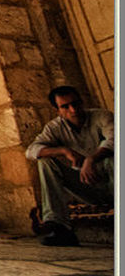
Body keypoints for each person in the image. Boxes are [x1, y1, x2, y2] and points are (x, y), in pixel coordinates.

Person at [25, 86, 114, 246]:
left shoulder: (102, 116)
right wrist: (64, 151)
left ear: (82, 102)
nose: (73, 110)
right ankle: (58, 226)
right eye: (65, 107)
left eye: (76, 103)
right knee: (46, 161)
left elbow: (116, 138)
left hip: (114, 180)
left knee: (112, 157)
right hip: (89, 187)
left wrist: (91, 159)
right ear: (57, 110)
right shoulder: (55, 127)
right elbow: (31, 151)